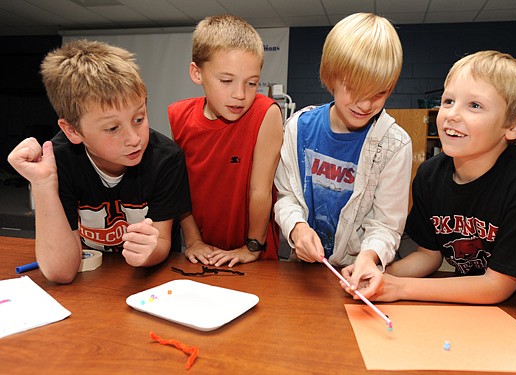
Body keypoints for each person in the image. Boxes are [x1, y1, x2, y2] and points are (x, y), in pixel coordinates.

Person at [342, 50, 516, 337]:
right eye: (448, 101)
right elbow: (429, 256)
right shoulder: (431, 175)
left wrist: (398, 287)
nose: (452, 115)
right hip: (479, 305)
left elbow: (496, 286)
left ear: (515, 125)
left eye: (475, 105)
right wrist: (379, 274)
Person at [7, 40, 191, 284]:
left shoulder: (166, 159)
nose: (134, 139)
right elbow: (60, 272)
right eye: (113, 128)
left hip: (144, 282)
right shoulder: (59, 161)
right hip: (90, 284)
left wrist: (148, 253)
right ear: (72, 131)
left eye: (139, 118)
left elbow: (162, 243)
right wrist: (43, 184)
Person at [274, 13, 412, 289]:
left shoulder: (395, 144)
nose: (364, 104)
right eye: (353, 88)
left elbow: (385, 224)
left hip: (354, 274)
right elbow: (286, 196)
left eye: (378, 93)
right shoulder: (298, 128)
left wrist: (369, 257)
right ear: (331, 77)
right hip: (299, 273)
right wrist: (297, 229)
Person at [169, 15, 283, 267]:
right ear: (197, 73)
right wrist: (193, 240)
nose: (240, 95)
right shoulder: (178, 116)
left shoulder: (265, 113)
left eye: (252, 83)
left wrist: (252, 246)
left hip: (255, 255)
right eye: (226, 81)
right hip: (202, 253)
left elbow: (260, 190)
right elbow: (180, 188)